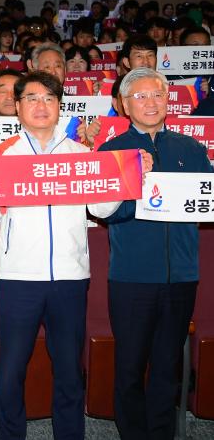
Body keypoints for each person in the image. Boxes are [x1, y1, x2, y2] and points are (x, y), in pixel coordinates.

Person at [0, 71, 146, 440]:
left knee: (68, 370)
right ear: (17, 107)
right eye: (31, 98)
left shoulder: (82, 156)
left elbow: (104, 210)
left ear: (60, 106)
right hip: (18, 279)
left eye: (48, 98)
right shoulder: (1, 155)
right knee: (11, 368)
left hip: (70, 278)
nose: (40, 106)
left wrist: (130, 177)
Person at [98, 68, 213, 439]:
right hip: (132, 277)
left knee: (167, 366)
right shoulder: (112, 152)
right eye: (141, 96)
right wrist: (139, 191)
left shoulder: (191, 149)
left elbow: (204, 205)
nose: (151, 102)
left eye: (158, 95)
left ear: (168, 101)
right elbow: (106, 213)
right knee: (130, 366)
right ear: (124, 105)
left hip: (181, 276)